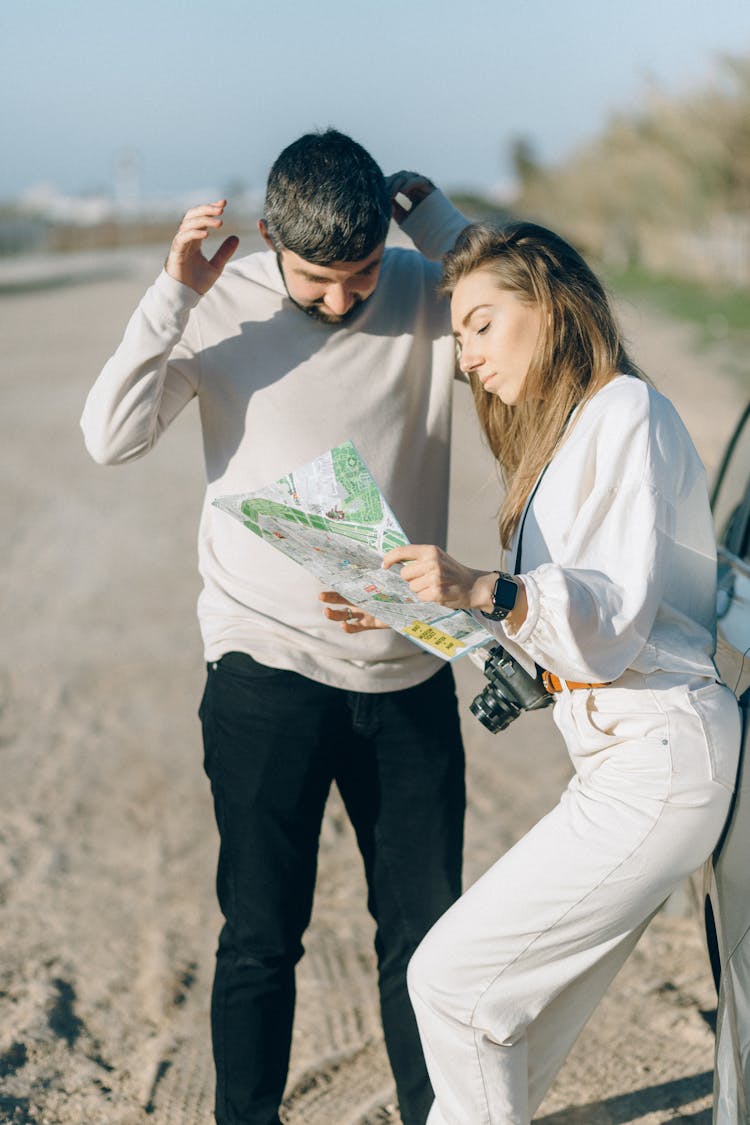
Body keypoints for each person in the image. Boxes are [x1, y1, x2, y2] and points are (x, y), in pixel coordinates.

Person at [80, 129, 469, 1125]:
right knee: (260, 936)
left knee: (428, 941)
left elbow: (549, 322)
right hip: (266, 670)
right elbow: (111, 438)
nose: (341, 300)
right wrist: (173, 291)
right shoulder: (221, 307)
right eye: (315, 279)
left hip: (409, 668)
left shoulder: (425, 286)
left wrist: (447, 232)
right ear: (267, 239)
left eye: (361, 274)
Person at [378, 220, 742, 1124]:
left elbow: (612, 618)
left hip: (662, 752)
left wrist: (486, 587)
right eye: (457, 335)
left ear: (546, 305)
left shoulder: (626, 410)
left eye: (480, 326)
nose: (466, 359)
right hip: (623, 761)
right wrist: (439, 606)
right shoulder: (572, 432)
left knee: (455, 983)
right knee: (512, 1035)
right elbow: (572, 631)